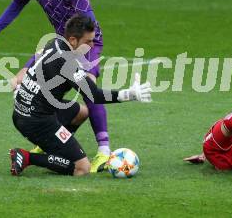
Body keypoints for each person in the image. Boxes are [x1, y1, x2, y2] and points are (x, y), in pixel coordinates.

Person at [0, 0, 113, 172]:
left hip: (86, 42)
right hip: (63, 42)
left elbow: (88, 19)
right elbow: (15, 5)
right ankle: (50, 141)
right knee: (44, 91)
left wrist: (83, 50)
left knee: (88, 88)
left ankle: (104, 152)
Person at [10, 14, 151, 176]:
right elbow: (94, 95)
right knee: (82, 168)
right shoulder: (66, 63)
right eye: (88, 41)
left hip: (24, 112)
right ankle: (27, 157)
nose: (92, 45)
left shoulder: (55, 42)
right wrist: (129, 94)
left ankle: (51, 147)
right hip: (37, 122)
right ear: (72, 40)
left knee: (82, 112)